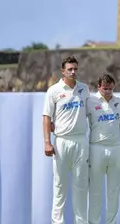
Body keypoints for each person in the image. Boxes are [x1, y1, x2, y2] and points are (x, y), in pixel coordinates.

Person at [42, 56, 90, 224]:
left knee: (80, 186)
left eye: (75, 69)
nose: (73, 72)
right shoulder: (53, 90)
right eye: (69, 69)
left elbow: (91, 113)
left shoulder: (84, 89)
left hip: (81, 142)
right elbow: (47, 117)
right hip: (61, 141)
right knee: (60, 186)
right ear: (63, 71)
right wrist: (47, 142)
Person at [86, 74, 120, 224]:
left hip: (116, 148)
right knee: (95, 190)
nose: (108, 92)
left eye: (110, 89)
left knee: (114, 191)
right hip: (97, 148)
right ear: (99, 87)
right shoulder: (90, 101)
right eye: (105, 89)